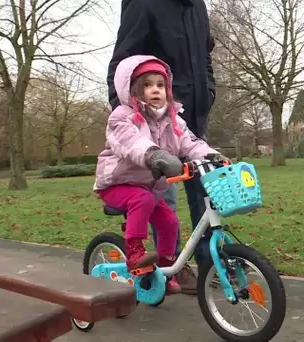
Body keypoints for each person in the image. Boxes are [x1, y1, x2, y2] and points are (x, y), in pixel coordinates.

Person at [107, 0, 217, 295]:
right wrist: (130, 119)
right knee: (161, 198)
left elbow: (205, 55)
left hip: (189, 116)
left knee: (206, 191)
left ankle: (211, 261)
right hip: (151, 120)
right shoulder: (144, 4)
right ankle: (174, 269)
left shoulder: (197, 7)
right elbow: (123, 61)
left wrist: (208, 91)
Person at [94, 55, 227, 294]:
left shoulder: (174, 121)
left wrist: (211, 156)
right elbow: (130, 142)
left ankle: (166, 267)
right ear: (133, 90)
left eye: (160, 85)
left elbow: (190, 144)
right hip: (116, 183)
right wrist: (154, 156)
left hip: (148, 187)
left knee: (169, 222)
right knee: (142, 200)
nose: (155, 90)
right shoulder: (122, 117)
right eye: (147, 85)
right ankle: (134, 251)